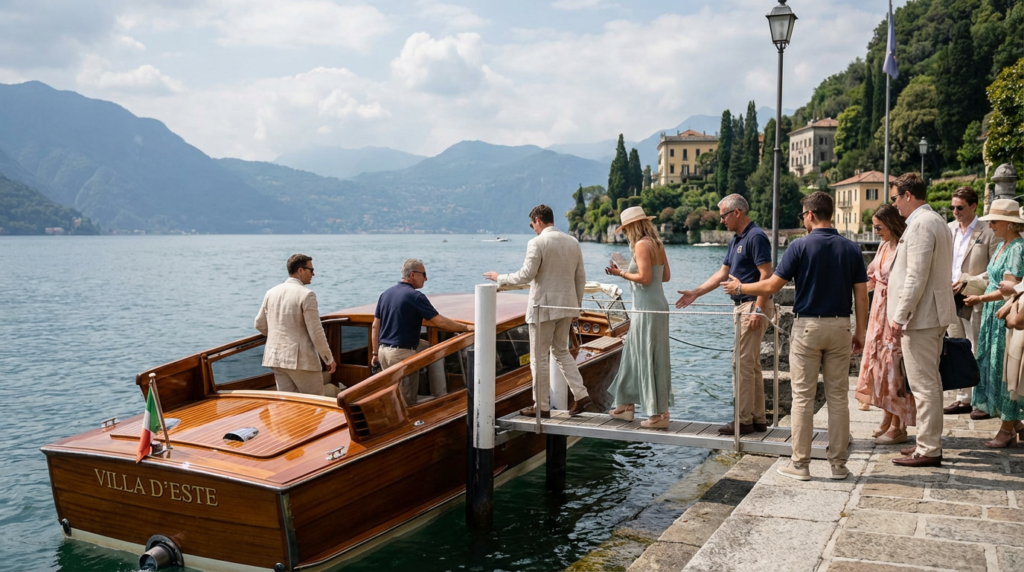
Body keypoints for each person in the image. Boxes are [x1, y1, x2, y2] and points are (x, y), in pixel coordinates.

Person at [722, 191, 868, 481]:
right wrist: (860, 331)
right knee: (838, 397)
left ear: (811, 215)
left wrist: (741, 289)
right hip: (841, 326)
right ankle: (839, 466)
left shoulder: (799, 246)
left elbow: (772, 286)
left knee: (803, 397)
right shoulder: (851, 248)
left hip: (808, 328)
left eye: (803, 215)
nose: (803, 220)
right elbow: (861, 296)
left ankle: (800, 465)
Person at [676, 194, 773, 435]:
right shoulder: (736, 239)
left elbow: (767, 275)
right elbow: (722, 274)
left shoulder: (756, 237)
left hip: (752, 305)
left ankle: (743, 421)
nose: (721, 221)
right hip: (744, 306)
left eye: (723, 215)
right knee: (752, 365)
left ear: (737, 212)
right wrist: (696, 293)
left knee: (740, 364)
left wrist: (758, 309)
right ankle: (758, 420)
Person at [484, 204, 592, 417]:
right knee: (561, 352)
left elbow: (526, 275)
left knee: (539, 358)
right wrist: (576, 308)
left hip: (542, 308)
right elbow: (580, 278)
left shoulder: (537, 242)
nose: (532, 228)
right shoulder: (573, 242)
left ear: (538, 220)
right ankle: (581, 395)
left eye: (532, 223)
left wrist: (500, 278)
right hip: (567, 306)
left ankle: (541, 406)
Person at [887, 173, 956, 468]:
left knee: (924, 384)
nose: (894, 204)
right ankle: (926, 441)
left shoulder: (920, 225)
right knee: (930, 382)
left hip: (922, 316)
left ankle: (928, 448)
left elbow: (916, 275)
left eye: (895, 198)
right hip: (933, 312)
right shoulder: (937, 221)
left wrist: (900, 315)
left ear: (907, 195)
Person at [604, 207, 673, 428]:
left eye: (625, 230)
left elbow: (644, 277)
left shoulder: (643, 245)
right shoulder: (657, 244)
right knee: (636, 355)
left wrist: (620, 273)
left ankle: (657, 415)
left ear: (631, 227)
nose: (625, 234)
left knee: (645, 356)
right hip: (655, 306)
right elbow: (666, 277)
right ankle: (626, 405)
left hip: (647, 310)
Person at [962, 199, 1024, 447]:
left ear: (1010, 224)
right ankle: (1016, 424)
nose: (991, 225)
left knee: (1004, 372)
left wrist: (981, 297)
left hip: (1004, 316)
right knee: (993, 367)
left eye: (995, 221)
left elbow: (1009, 289)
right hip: (993, 313)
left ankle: (1007, 428)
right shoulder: (1003, 244)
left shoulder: (1017, 247)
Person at [371, 259, 473, 406]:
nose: (426, 278)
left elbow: (375, 327)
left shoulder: (385, 294)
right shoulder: (415, 297)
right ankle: (418, 417)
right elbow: (439, 322)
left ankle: (440, 397)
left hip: (383, 352)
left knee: (432, 351)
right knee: (407, 400)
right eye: (424, 274)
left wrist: (375, 354)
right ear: (413, 274)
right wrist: (467, 328)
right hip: (401, 354)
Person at [854, 204, 916, 445]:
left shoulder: (903, 247)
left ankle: (899, 424)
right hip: (878, 314)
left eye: (878, 227)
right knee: (880, 365)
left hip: (894, 313)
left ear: (891, 224)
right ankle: (888, 415)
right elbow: (871, 275)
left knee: (895, 367)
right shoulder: (883, 246)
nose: (875, 231)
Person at [944, 186, 999, 418]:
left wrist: (968, 281)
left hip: (975, 297)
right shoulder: (948, 229)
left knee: (976, 348)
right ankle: (963, 398)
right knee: (956, 347)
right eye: (953, 207)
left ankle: (980, 400)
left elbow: (994, 270)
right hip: (950, 296)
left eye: (960, 207)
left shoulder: (989, 232)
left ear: (974, 206)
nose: (955, 211)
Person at [255, 254, 337, 396]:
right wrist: (328, 358)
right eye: (311, 270)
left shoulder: (271, 292)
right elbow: (316, 331)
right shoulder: (306, 295)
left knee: (289, 406)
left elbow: (259, 324)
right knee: (316, 405)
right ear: (300, 270)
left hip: (276, 358)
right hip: (301, 361)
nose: (313, 274)